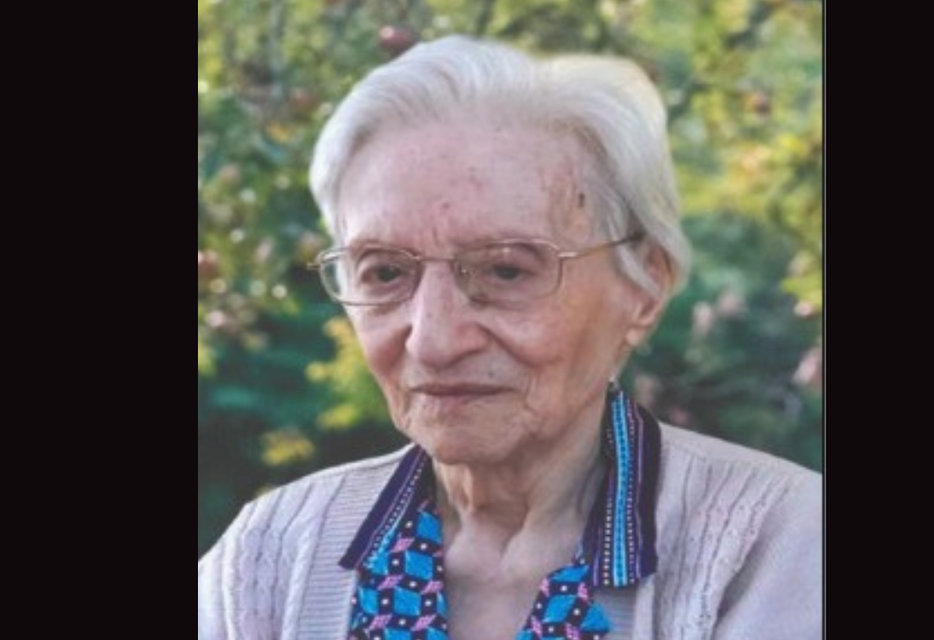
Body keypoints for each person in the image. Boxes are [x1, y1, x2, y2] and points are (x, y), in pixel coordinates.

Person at [198, 36, 822, 640]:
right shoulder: (272, 558)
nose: (434, 342)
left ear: (645, 288)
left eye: (505, 271)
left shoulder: (776, 549)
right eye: (384, 273)